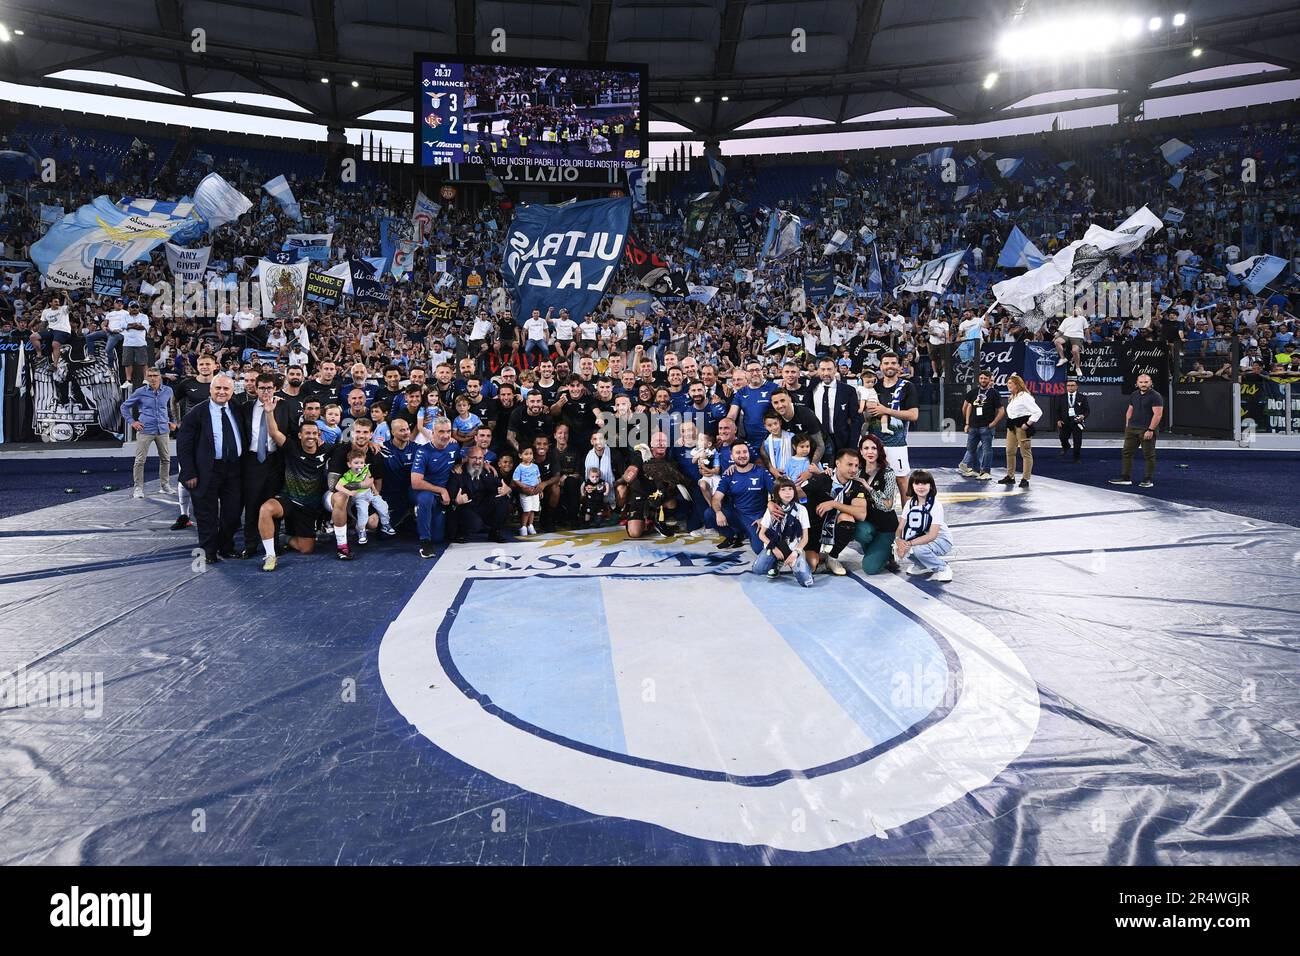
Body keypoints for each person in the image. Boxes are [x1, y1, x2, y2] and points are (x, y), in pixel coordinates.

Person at [176, 373, 243, 564]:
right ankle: (209, 551)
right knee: (206, 514)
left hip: (234, 469)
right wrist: (189, 472)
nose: (222, 392)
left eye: (226, 389)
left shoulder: (236, 408)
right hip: (206, 470)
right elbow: (184, 445)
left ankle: (226, 546)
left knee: (232, 513)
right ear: (211, 390)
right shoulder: (196, 413)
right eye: (218, 388)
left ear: (232, 391)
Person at [255, 418, 333, 572]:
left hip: (309, 507)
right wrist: (270, 411)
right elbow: (274, 432)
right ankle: (270, 555)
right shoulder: (291, 447)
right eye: (307, 433)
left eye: (314, 433)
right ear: (300, 435)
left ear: (319, 435)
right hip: (288, 499)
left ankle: (285, 537)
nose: (310, 436)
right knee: (266, 509)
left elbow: (351, 449)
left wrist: (370, 443)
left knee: (307, 549)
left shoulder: (327, 449)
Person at [238, 373, 293, 559]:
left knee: (272, 504)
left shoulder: (284, 406)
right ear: (255, 388)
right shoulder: (246, 407)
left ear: (275, 388)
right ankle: (250, 544)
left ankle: (274, 543)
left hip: (275, 460)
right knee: (252, 503)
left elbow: (290, 432)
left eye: (269, 388)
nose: (266, 391)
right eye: (262, 388)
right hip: (252, 461)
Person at [801, 447, 867, 575]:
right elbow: (795, 493)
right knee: (812, 566)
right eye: (849, 465)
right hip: (814, 529)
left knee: (848, 518)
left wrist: (834, 504)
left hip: (835, 526)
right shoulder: (822, 478)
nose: (853, 470)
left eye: (856, 466)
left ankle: (832, 557)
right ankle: (811, 552)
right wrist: (773, 502)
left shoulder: (857, 486)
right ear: (838, 463)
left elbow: (861, 514)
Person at [867, 352, 919, 499]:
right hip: (874, 444)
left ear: (898, 366)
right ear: (881, 366)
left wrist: (886, 411)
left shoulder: (907, 386)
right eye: (886, 363)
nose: (889, 366)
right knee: (873, 482)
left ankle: (907, 518)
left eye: (893, 363)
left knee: (902, 481)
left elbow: (913, 415)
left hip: (896, 444)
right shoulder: (873, 387)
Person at [120, 367, 175, 497]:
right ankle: (138, 488)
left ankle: (165, 485)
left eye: (155, 375)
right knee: (140, 460)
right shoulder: (140, 392)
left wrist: (173, 421)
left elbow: (172, 407)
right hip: (145, 430)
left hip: (163, 429)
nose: (152, 378)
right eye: (150, 376)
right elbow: (124, 407)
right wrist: (132, 422)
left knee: (166, 459)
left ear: (160, 377)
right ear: (146, 377)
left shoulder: (168, 391)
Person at [711, 441, 772, 552]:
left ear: (749, 454)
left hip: (757, 517)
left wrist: (766, 517)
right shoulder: (728, 474)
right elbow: (716, 498)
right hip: (738, 515)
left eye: (745, 452)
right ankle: (734, 534)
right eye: (738, 452)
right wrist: (718, 512)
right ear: (732, 456)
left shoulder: (762, 472)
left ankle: (750, 533)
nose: (742, 455)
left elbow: (777, 496)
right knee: (710, 513)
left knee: (759, 549)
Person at [751, 478, 814, 587]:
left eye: (790, 489)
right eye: (783, 490)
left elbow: (805, 538)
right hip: (774, 545)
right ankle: (775, 563)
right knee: (758, 569)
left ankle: (792, 563)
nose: (787, 492)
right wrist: (773, 548)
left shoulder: (801, 509)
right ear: (777, 493)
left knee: (807, 582)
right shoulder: (772, 509)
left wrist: (796, 553)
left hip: (792, 549)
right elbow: (761, 534)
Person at [412, 417, 460, 557]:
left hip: (440, 496)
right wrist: (441, 490)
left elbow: (464, 459)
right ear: (432, 432)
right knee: (425, 500)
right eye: (441, 432)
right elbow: (415, 482)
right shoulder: (423, 451)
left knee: (438, 538)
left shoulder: (454, 446)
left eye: (448, 431)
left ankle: (415, 517)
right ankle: (424, 542)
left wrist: (485, 463)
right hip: (423, 491)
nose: (445, 435)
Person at [853, 433, 899, 575]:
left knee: (869, 568)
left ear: (879, 451)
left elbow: (887, 505)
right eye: (866, 448)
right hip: (868, 525)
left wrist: (869, 489)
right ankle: (876, 549)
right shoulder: (857, 471)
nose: (870, 452)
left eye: (874, 448)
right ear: (861, 451)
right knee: (860, 531)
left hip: (886, 527)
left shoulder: (888, 473)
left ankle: (887, 551)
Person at [895, 469, 954, 582]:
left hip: (941, 540)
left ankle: (942, 568)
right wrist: (898, 540)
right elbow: (900, 528)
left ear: (931, 486)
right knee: (901, 547)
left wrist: (909, 543)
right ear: (912, 486)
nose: (920, 487)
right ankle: (922, 565)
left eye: (924, 483)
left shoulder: (936, 506)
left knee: (918, 549)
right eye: (917, 483)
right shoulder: (909, 504)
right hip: (920, 538)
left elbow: (932, 535)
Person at [1110, 373, 1164, 488]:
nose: (1143, 384)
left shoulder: (1156, 396)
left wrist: (1150, 430)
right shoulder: (1134, 394)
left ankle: (1147, 479)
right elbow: (1130, 410)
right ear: (1137, 383)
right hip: (1132, 429)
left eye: (1146, 382)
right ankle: (1126, 478)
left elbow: (1158, 414)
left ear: (1150, 383)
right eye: (1141, 382)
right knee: (1126, 453)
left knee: (1149, 455)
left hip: (1146, 430)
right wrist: (1127, 426)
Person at [448, 446, 511, 543]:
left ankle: (495, 532)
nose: (477, 461)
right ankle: (460, 532)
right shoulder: (458, 472)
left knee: (503, 499)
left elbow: (501, 486)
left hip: (480, 508)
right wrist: (455, 501)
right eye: (474, 458)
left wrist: (507, 489)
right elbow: (449, 499)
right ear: (467, 458)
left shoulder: (485, 471)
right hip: (463, 509)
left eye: (480, 458)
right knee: (476, 524)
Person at [337, 447, 396, 545]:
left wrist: (374, 489)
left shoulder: (365, 469)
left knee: (383, 506)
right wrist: (349, 492)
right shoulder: (348, 475)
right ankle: (361, 531)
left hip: (370, 493)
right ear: (349, 464)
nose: (359, 465)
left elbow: (370, 479)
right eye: (356, 463)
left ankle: (386, 524)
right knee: (363, 513)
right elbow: (338, 486)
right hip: (360, 497)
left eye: (361, 462)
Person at [998, 374, 1041, 489]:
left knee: (1025, 453)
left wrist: (1028, 424)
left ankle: (1025, 479)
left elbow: (1038, 412)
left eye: (1010, 383)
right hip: (1011, 425)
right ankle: (1010, 477)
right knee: (1009, 451)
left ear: (1017, 384)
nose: (1008, 385)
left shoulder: (1025, 396)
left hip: (1022, 426)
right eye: (1008, 383)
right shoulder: (1013, 397)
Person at [959, 368, 1002, 480]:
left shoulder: (994, 393)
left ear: (989, 380)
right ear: (979, 378)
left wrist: (993, 423)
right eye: (981, 378)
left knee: (987, 450)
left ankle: (986, 471)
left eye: (985, 378)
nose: (983, 380)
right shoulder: (973, 392)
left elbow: (1001, 411)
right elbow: (966, 407)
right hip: (973, 427)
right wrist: (967, 423)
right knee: (971, 449)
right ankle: (975, 470)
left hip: (986, 427)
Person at [1052, 377, 1090, 461]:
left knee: (1077, 440)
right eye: (1068, 385)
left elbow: (1087, 410)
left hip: (1077, 422)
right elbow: (1057, 410)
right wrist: (1058, 420)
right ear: (1066, 387)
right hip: (1064, 421)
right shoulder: (1061, 397)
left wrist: (1083, 416)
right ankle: (1066, 446)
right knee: (1063, 437)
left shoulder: (1082, 397)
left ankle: (1076, 457)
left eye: (1072, 385)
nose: (1070, 387)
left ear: (1076, 387)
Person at [513, 445, 542, 535]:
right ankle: (523, 527)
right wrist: (524, 487)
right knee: (527, 510)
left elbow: (538, 478)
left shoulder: (535, 466)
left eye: (531, 454)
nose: (529, 456)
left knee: (533, 510)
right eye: (526, 454)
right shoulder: (519, 468)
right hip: (526, 493)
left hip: (535, 492)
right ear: (520, 455)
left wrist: (540, 489)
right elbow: (516, 479)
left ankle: (530, 525)